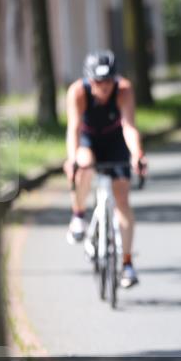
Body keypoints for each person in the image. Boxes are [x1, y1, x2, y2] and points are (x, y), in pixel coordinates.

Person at [64, 50, 148, 289]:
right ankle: (78, 216)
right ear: (89, 80)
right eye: (99, 82)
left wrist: (137, 154)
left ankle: (128, 263)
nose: (104, 87)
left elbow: (129, 127)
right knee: (85, 166)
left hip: (115, 141)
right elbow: (73, 129)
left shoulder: (124, 90)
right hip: (89, 140)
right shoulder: (78, 92)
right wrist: (72, 159)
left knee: (122, 198)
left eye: (109, 80)